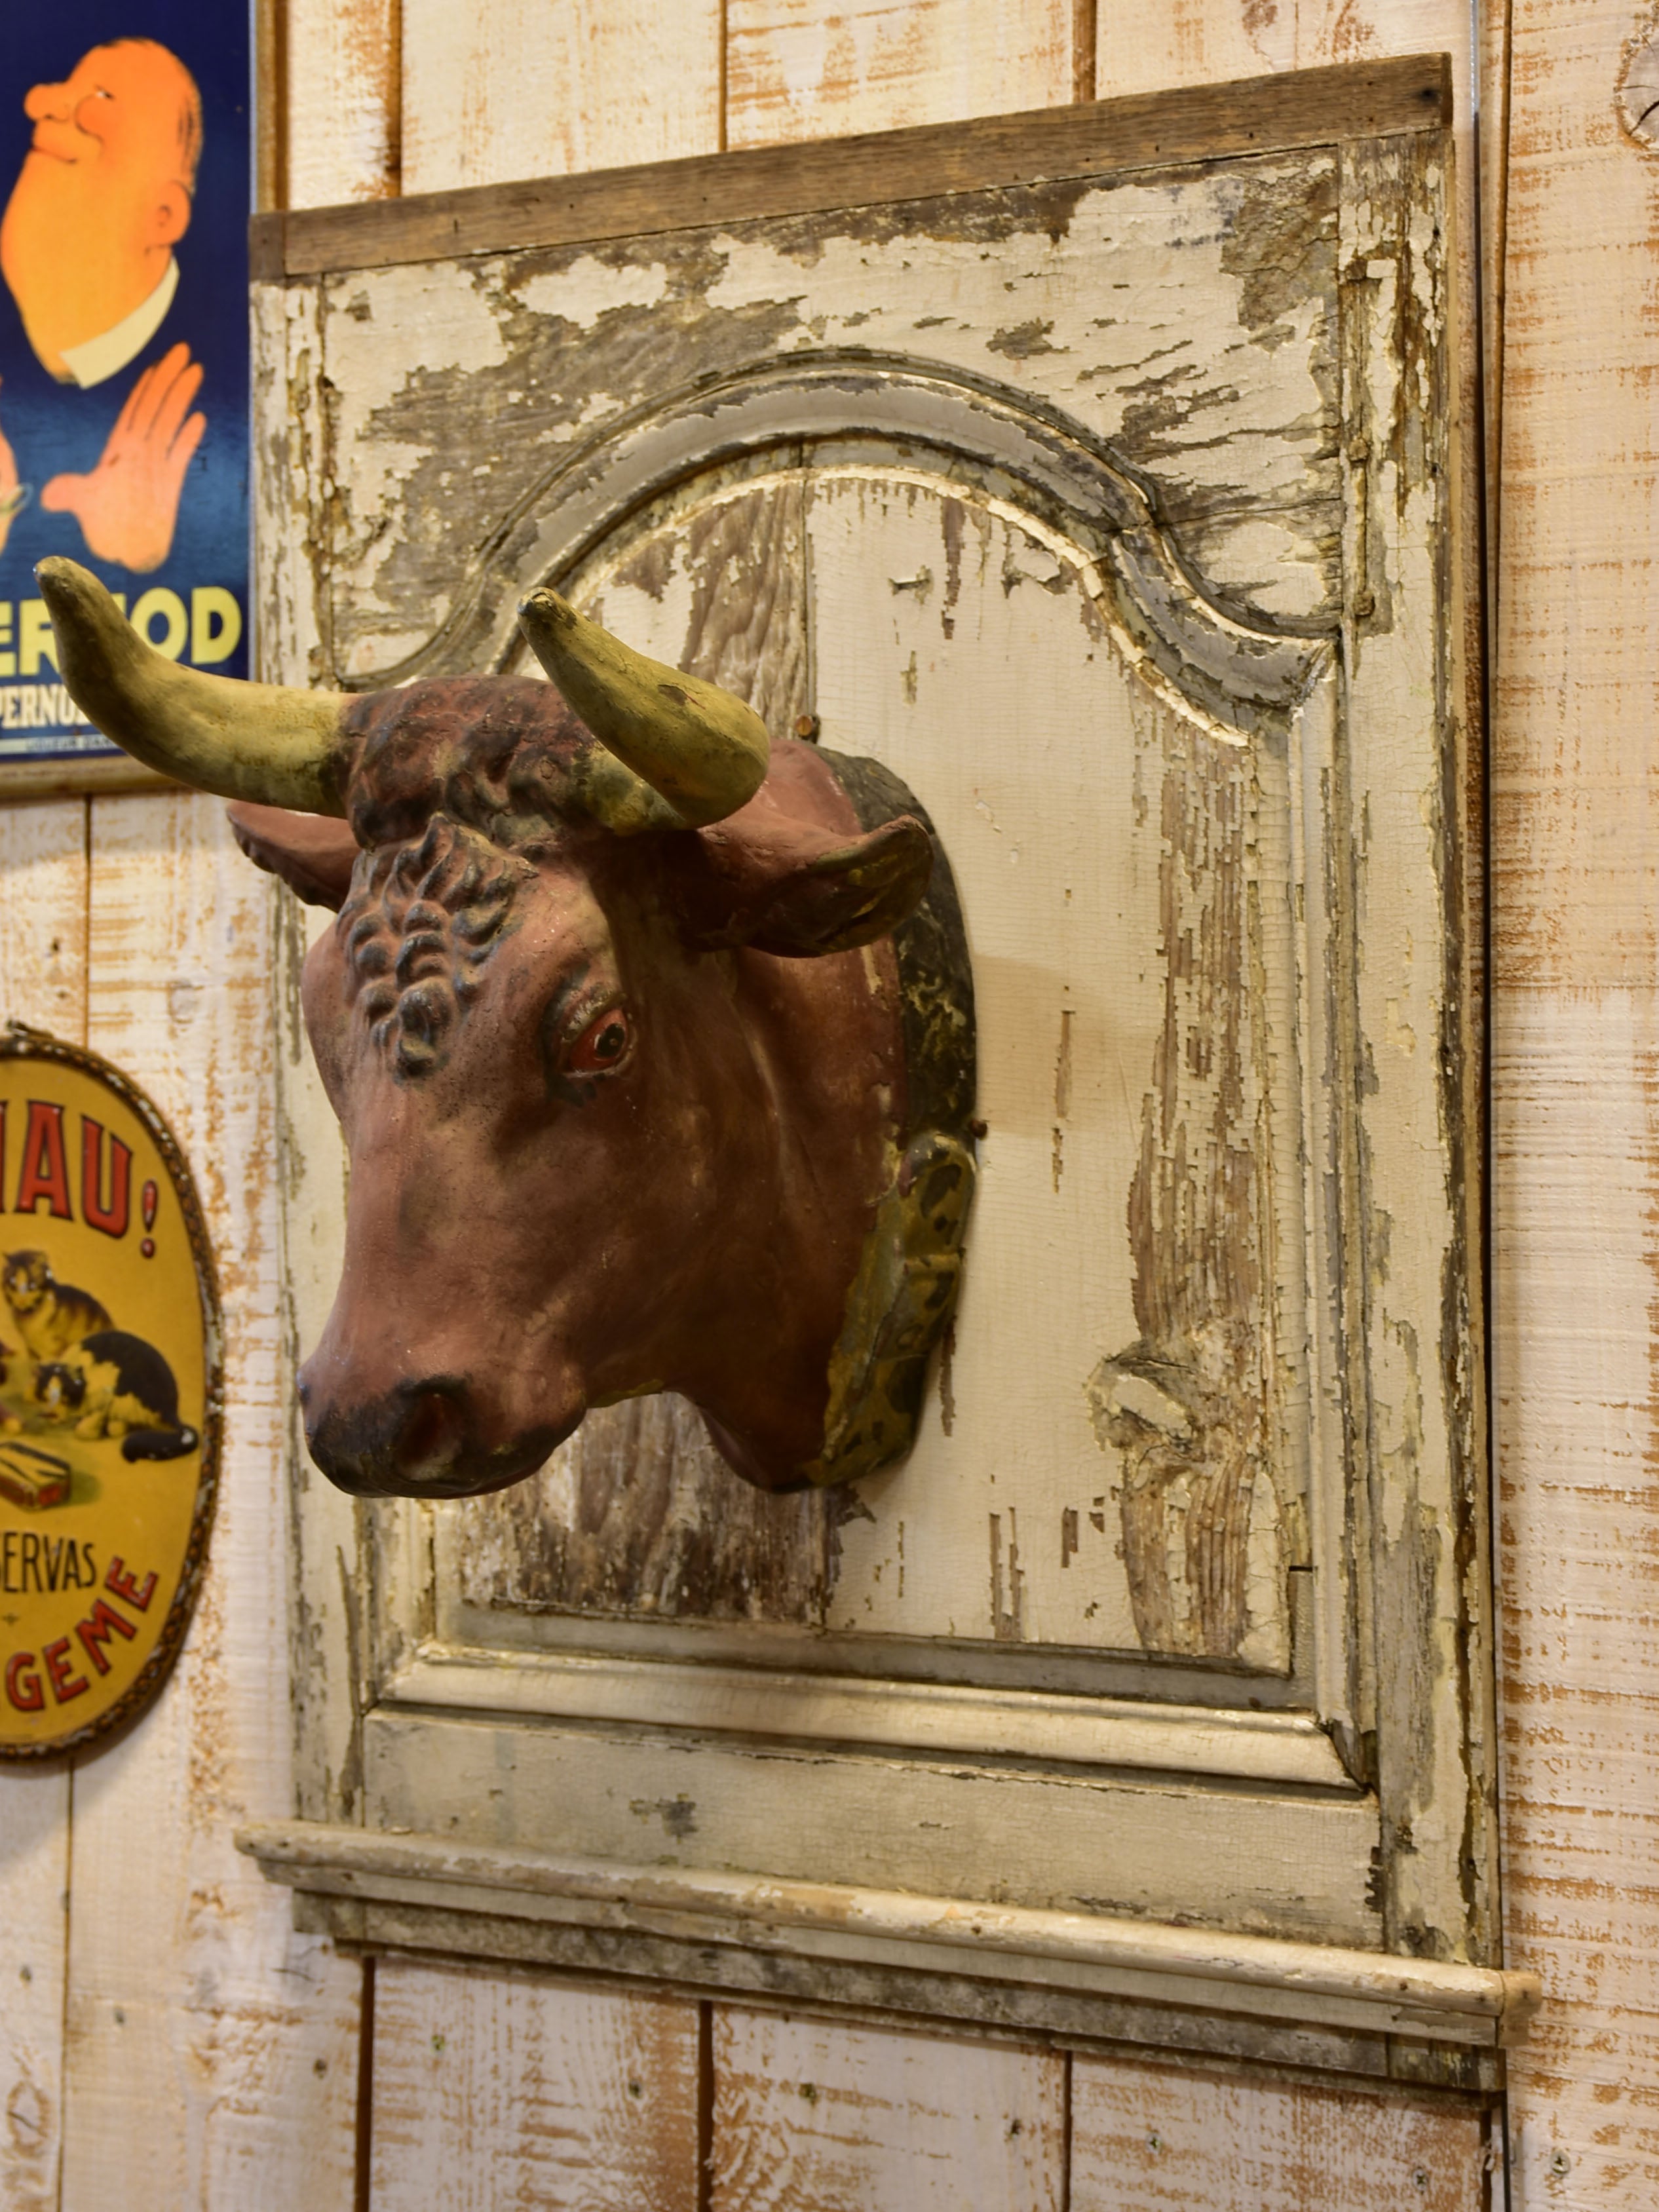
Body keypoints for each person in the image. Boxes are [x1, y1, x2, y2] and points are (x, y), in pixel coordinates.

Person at [0, 40, 205, 573]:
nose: (39, 103)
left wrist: (143, 558)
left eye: (102, 96)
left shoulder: (220, 359)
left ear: (163, 216)